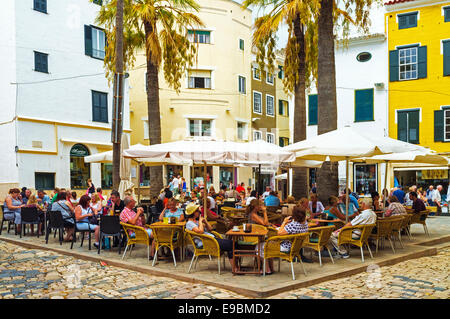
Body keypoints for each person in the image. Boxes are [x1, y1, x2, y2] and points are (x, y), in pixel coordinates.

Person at [185, 203, 236, 270]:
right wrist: (200, 222)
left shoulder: (197, 221)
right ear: (193, 213)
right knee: (231, 244)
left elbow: (210, 229)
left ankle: (235, 267)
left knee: (232, 244)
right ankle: (235, 268)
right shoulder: (189, 223)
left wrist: (205, 222)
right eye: (197, 211)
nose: (199, 212)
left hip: (211, 240)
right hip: (205, 243)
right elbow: (200, 231)